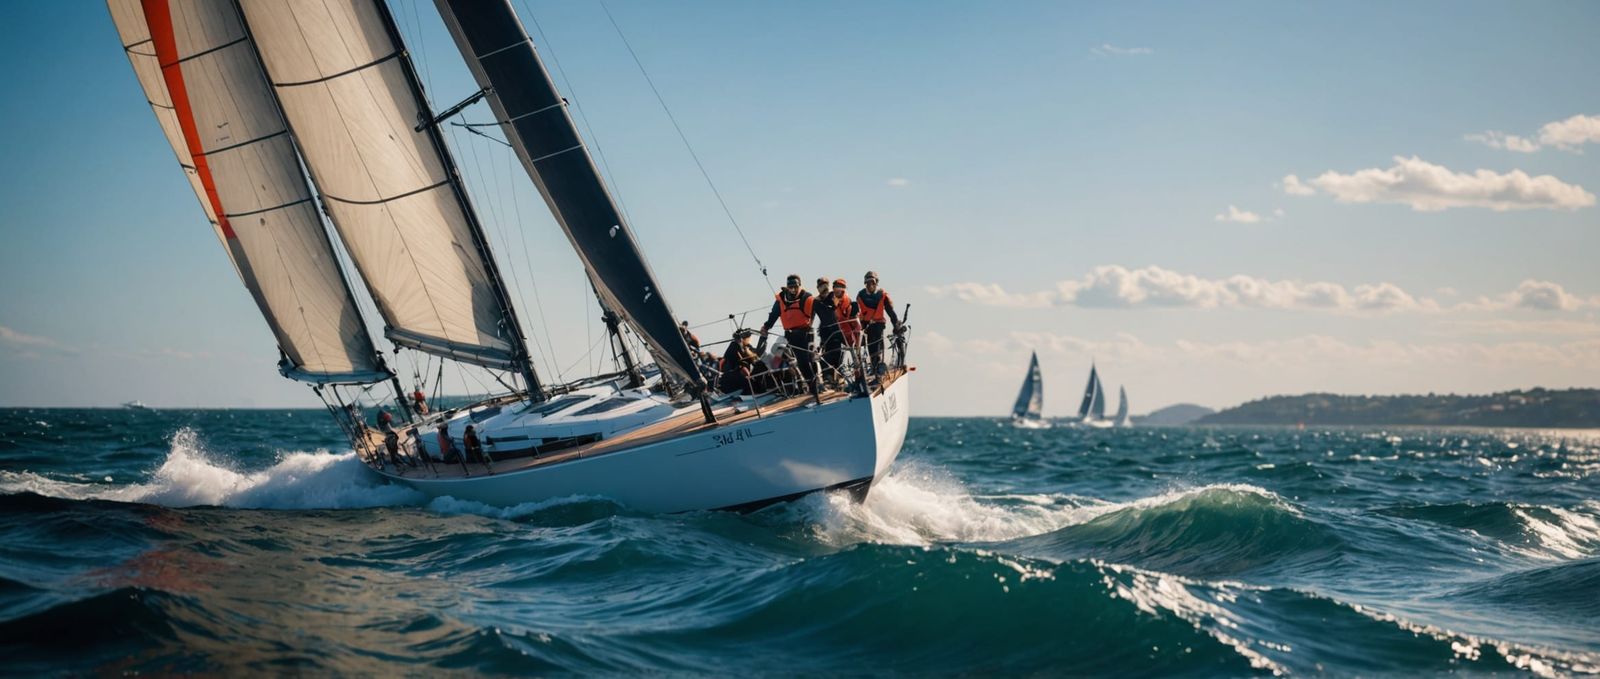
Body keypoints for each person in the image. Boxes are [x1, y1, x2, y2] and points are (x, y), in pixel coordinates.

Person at [760, 274, 820, 394]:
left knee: (809, 359)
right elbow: (773, 315)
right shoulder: (781, 299)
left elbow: (815, 312)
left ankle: (816, 385)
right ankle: (806, 386)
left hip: (805, 333)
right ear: (787, 287)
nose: (793, 290)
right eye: (790, 287)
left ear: (800, 286)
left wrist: (811, 324)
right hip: (790, 335)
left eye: (795, 287)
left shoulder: (806, 298)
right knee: (792, 359)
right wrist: (766, 327)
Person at [856, 271, 903, 374]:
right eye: (867, 283)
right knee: (870, 347)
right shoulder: (861, 295)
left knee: (877, 343)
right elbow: (856, 313)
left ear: (876, 282)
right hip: (866, 325)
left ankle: (879, 367)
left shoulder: (882, 295)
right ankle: (873, 367)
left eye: (872, 282)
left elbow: (890, 312)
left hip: (878, 324)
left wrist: (896, 325)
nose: (870, 285)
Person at [719, 329, 763, 395]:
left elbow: (757, 353)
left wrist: (763, 338)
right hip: (735, 380)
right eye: (749, 338)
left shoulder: (746, 347)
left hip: (730, 380)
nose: (750, 340)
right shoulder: (735, 346)